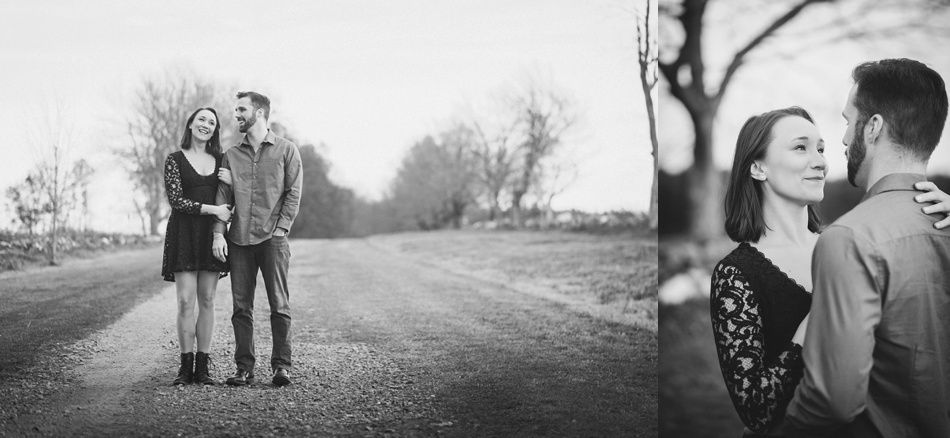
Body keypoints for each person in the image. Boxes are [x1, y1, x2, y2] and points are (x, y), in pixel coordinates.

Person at [711, 103, 950, 436]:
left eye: (821, 149)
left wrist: (932, 218)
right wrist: (817, 319)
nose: (821, 161)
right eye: (801, 148)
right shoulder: (735, 275)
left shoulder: (850, 244)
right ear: (757, 167)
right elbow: (756, 409)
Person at [780, 59, 950, 437]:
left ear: (873, 127)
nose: (842, 140)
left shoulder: (849, 237)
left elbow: (832, 402)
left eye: (847, 121)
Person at [211, 91, 302, 387]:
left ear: (259, 113)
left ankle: (281, 367)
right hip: (238, 240)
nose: (236, 114)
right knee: (241, 307)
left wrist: (281, 229)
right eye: (236, 110)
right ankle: (244, 368)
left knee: (279, 303)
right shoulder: (231, 155)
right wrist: (218, 234)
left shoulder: (287, 150)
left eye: (241, 109)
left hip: (272, 239)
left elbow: (293, 193)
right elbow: (223, 197)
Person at [162, 107, 232, 386]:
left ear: (215, 131)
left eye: (212, 122)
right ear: (190, 124)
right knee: (184, 301)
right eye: (201, 119)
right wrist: (212, 208)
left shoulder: (221, 160)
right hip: (184, 235)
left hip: (211, 236)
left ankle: (203, 368)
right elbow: (177, 201)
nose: (206, 125)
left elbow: (230, 200)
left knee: (207, 300)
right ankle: (185, 366)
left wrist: (232, 182)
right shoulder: (174, 160)